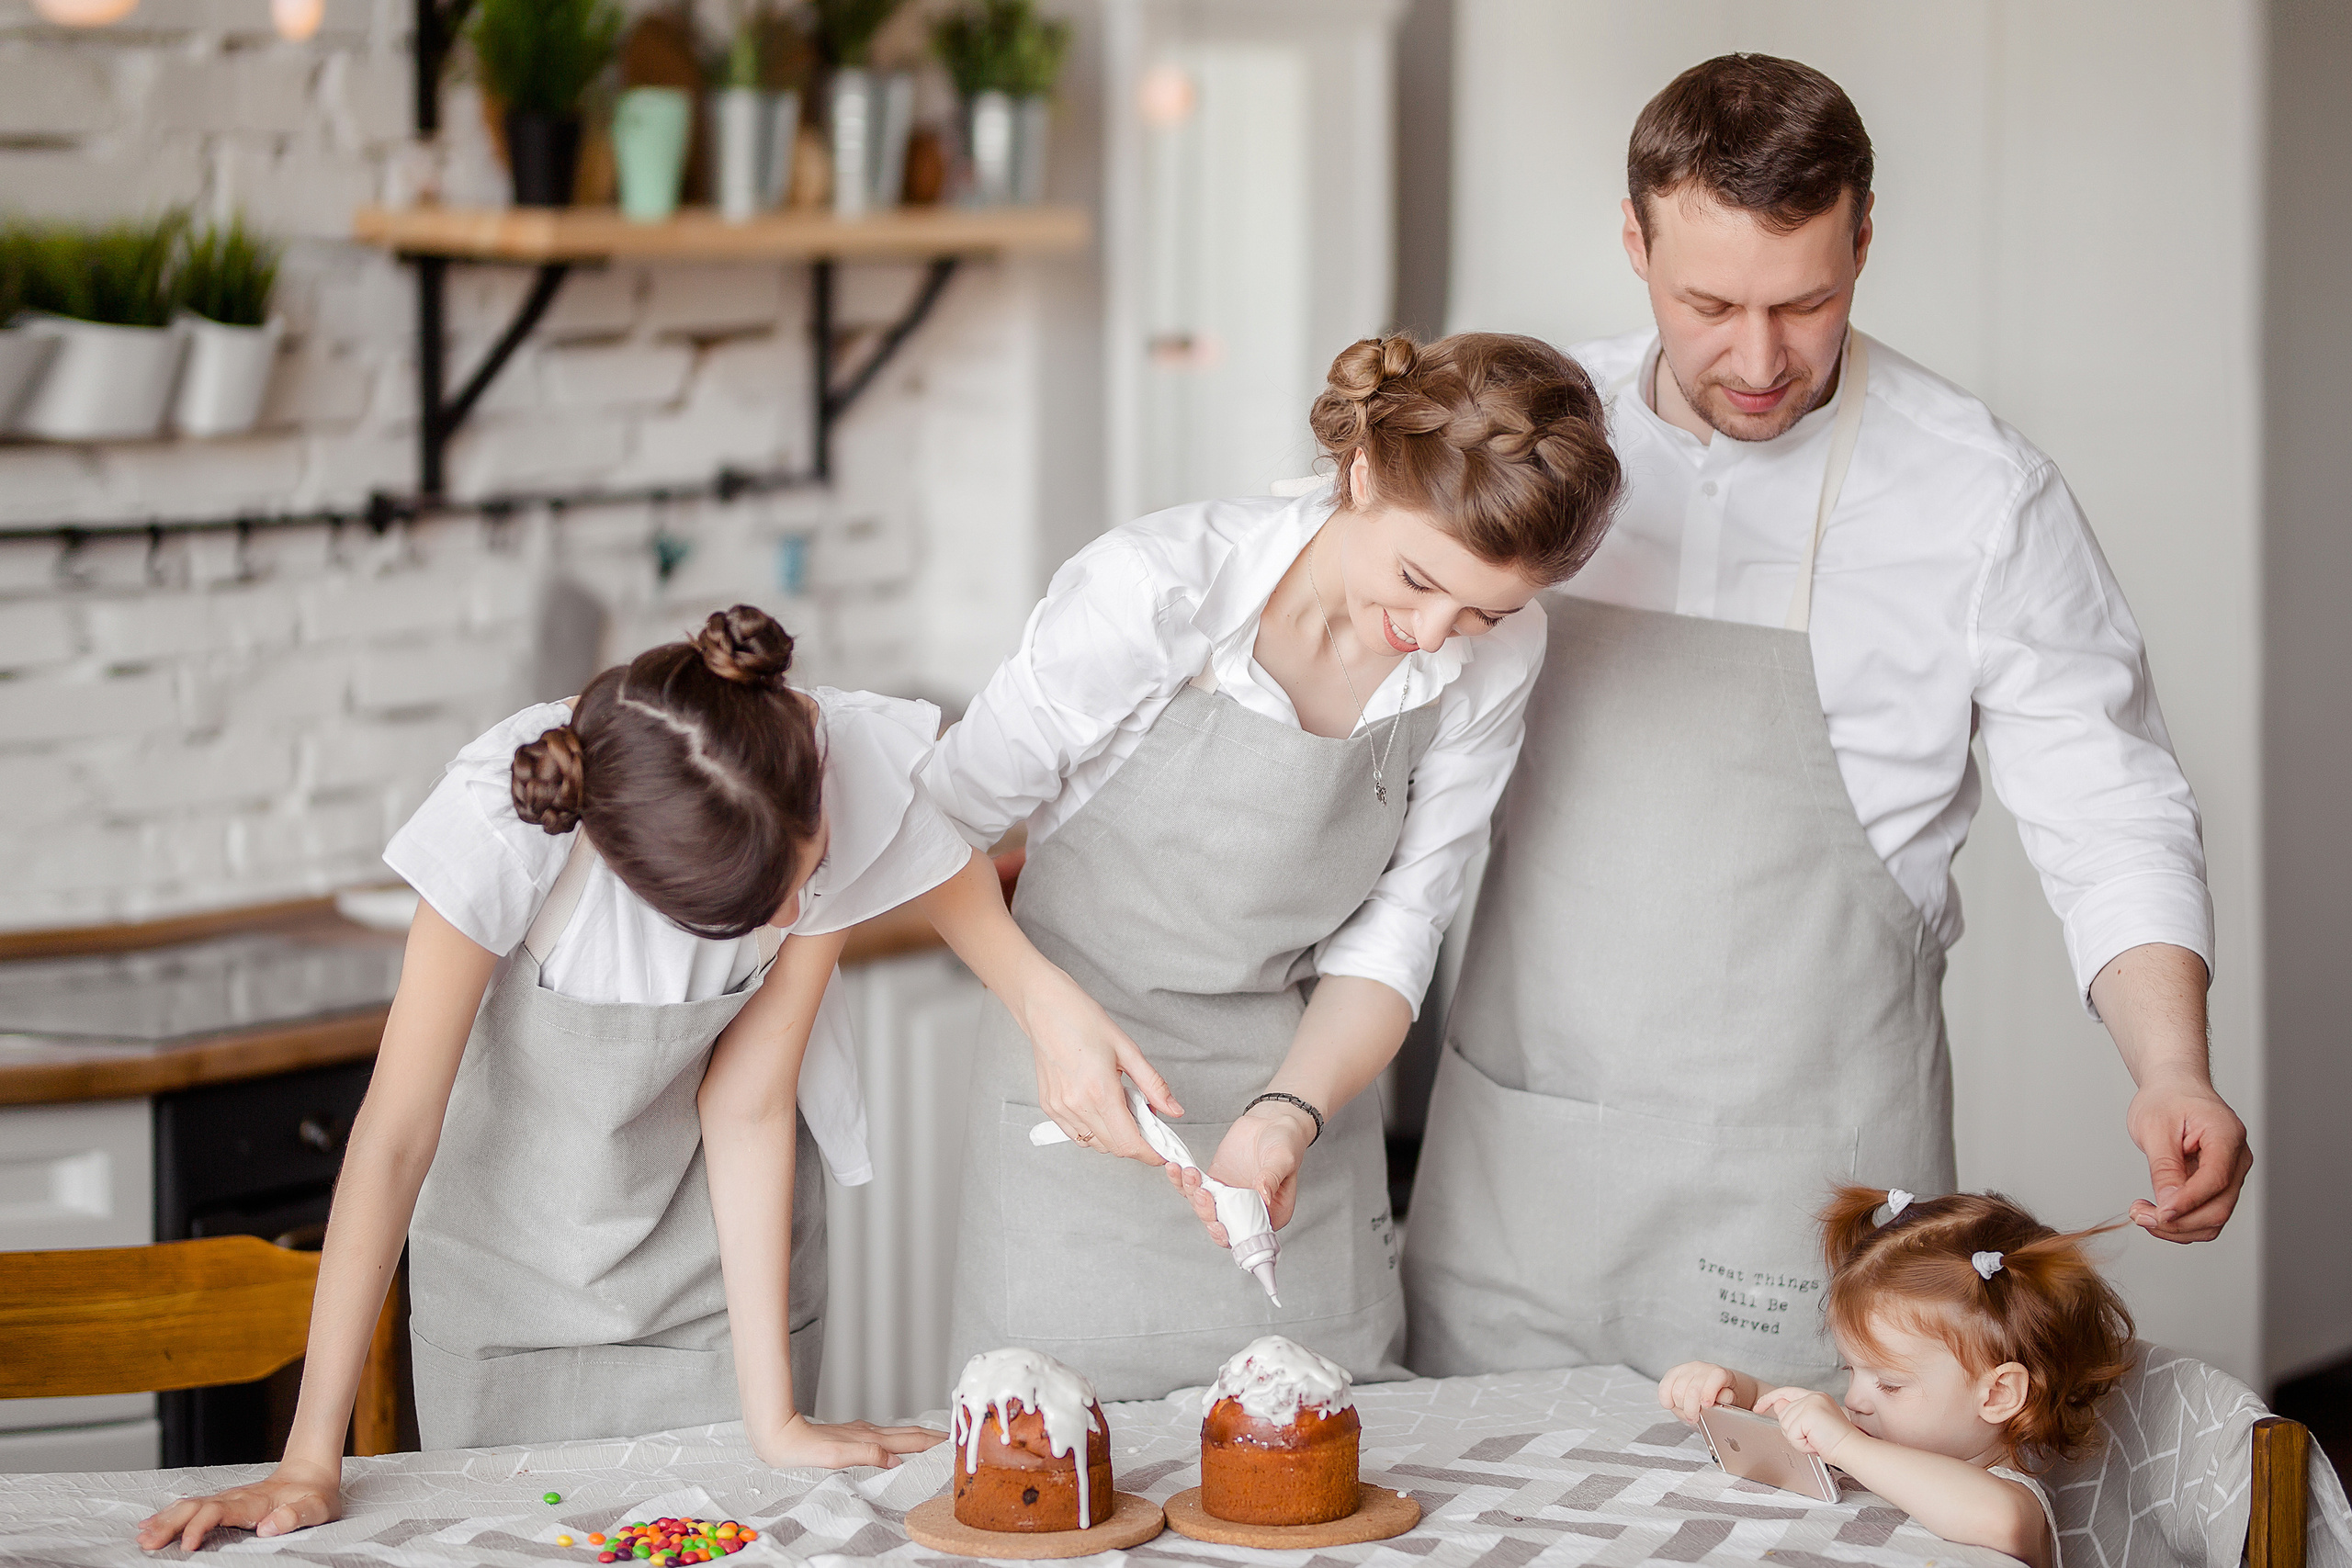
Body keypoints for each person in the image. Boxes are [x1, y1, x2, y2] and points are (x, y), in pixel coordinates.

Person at [1403, 53, 2251, 1392]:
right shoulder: (1521, 453)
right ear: (1633, 243)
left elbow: (2109, 804)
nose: (1759, 359)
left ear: (1862, 243)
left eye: (1805, 302)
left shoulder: (1981, 495)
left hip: (1819, 1206)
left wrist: (2173, 1065)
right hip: (1527, 1182)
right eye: (1709, 305)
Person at [139, 605, 1150, 1552]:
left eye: (810, 875)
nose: (798, 914)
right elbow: (396, 1135)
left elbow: (748, 1103)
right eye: (755, 908)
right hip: (506, 1296)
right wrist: (310, 1459)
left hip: (717, 1293)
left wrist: (774, 1418)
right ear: (635, 873)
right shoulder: (506, 828)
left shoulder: (813, 772)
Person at [921, 333, 1623, 1400]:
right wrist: (1044, 1011)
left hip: (1299, 1122)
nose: (1434, 633)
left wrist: (1290, 1112)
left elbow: (1399, 931)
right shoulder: (1160, 590)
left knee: (1326, 1459)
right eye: (1417, 578)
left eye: (1485, 610)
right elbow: (933, 833)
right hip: (1078, 1110)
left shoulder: (1492, 660)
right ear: (1364, 473)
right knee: (1054, 1460)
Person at [1657, 1186, 2135, 1568]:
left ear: (1996, 1394)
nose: (1855, 1399)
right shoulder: (1877, 1436)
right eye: (1851, 1369)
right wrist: (1732, 1390)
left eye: (1889, 1384)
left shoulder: (2010, 1497)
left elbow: (2000, 1522)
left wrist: (1845, 1445)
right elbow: (1781, 1408)